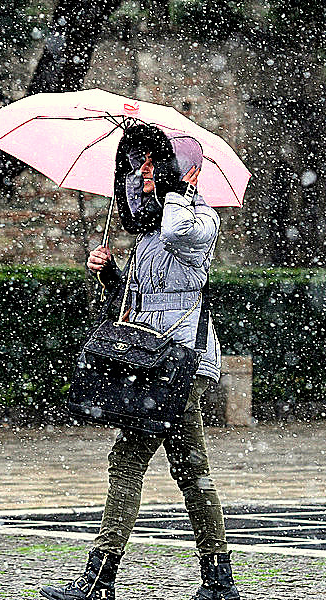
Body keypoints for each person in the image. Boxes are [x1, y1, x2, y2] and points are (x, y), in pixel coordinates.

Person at [40, 124, 240, 600]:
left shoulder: (199, 222)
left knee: (129, 461)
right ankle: (219, 582)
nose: (140, 174)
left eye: (151, 163)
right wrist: (111, 274)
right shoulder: (150, 237)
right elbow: (135, 300)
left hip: (181, 362)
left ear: (179, 169)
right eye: (135, 165)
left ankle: (99, 581)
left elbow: (178, 228)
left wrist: (176, 187)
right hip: (151, 360)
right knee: (192, 471)